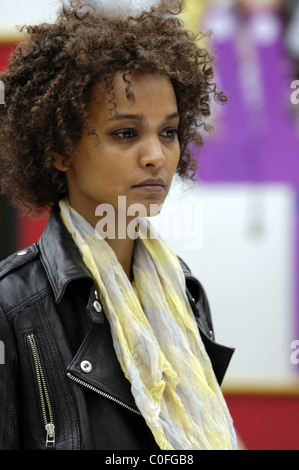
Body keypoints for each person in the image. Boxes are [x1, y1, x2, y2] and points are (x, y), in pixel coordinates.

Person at [0, 0, 237, 450]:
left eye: (168, 132)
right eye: (126, 133)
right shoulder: (12, 306)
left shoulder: (185, 292)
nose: (156, 156)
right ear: (60, 150)